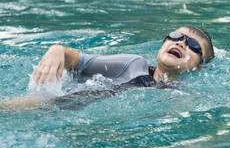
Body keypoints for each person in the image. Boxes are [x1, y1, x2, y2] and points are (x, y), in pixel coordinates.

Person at [1, 25, 214, 110]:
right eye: (176, 36)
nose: (181, 43)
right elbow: (76, 61)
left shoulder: (186, 99)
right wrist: (57, 50)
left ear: (199, 68)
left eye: (193, 45)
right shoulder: (133, 65)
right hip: (59, 106)